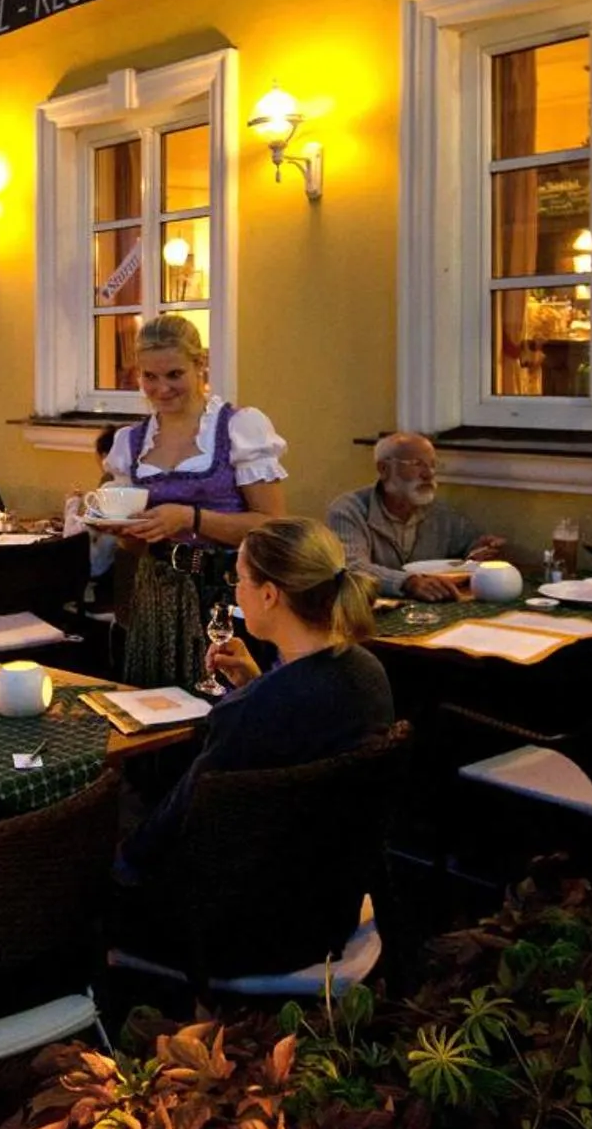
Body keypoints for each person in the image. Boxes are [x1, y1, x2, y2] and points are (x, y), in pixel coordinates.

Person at [117, 519, 395, 886]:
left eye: (239, 579)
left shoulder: (251, 709)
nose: (235, 591)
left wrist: (121, 863)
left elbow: (182, 815)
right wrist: (258, 682)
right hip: (330, 880)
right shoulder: (368, 671)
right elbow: (298, 723)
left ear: (268, 595)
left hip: (236, 896)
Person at [99, 314, 288, 687]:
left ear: (201, 364)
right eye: (149, 377)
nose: (161, 388)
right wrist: (122, 529)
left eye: (174, 375)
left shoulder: (239, 428)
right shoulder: (130, 442)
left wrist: (191, 518)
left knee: (222, 698)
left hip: (227, 592)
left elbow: (272, 526)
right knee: (159, 701)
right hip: (157, 595)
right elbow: (133, 547)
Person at [326, 431, 509, 602]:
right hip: (370, 614)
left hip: (429, 613)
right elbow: (350, 568)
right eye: (416, 464)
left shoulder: (439, 512)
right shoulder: (349, 510)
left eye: (432, 465)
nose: (428, 474)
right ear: (384, 469)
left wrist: (478, 551)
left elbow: (466, 549)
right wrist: (407, 582)